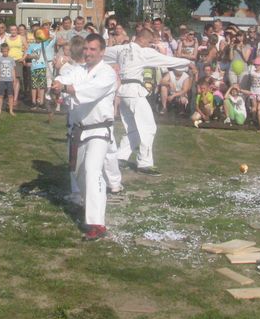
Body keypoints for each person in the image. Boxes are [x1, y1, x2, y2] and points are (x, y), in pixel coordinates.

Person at [51, 34, 117, 241]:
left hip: (99, 130)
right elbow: (65, 77)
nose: (88, 53)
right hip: (79, 130)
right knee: (80, 174)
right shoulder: (78, 70)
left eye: (93, 49)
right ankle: (91, 209)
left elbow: (90, 91)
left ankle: (97, 224)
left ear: (102, 52)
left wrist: (66, 88)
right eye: (86, 49)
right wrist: (56, 83)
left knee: (92, 171)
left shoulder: (107, 73)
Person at [104, 27, 190, 176]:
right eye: (149, 42)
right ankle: (144, 162)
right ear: (143, 39)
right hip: (135, 92)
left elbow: (101, 53)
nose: (150, 45)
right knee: (148, 127)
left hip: (123, 92)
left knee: (132, 128)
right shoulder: (144, 52)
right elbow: (167, 60)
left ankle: (120, 157)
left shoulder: (121, 49)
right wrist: (188, 63)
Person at [0, 43, 16, 116]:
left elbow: (13, 70)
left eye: (6, 51)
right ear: (1, 51)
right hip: (1, 80)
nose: (5, 53)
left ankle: (11, 110)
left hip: (10, 80)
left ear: (8, 50)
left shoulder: (11, 59)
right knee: (0, 96)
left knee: (10, 95)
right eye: (3, 51)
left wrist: (14, 80)